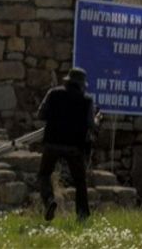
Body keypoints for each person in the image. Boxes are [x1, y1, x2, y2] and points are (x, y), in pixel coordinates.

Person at [37, 67, 98, 222]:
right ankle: (82, 215)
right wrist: (97, 119)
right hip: (74, 147)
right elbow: (91, 125)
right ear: (81, 84)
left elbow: (41, 114)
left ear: (68, 81)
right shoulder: (87, 100)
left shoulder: (53, 93)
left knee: (44, 175)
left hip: (52, 143)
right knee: (80, 182)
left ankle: (49, 200)